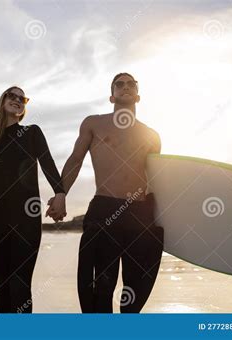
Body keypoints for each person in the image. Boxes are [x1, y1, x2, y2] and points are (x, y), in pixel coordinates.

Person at [47, 73, 164, 313]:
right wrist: (60, 193)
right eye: (119, 84)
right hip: (104, 209)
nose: (125, 87)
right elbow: (76, 160)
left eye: (131, 84)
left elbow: (157, 180)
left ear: (138, 96)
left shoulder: (152, 135)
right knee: (101, 288)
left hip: (140, 214)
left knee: (136, 290)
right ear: (112, 96)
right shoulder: (94, 123)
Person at [0, 86, 66, 313]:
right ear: (3, 102)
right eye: (12, 96)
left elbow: (48, 163)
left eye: (23, 98)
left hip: (27, 213)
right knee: (1, 283)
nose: (18, 100)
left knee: (20, 283)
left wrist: (60, 193)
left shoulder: (32, 133)